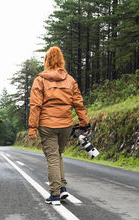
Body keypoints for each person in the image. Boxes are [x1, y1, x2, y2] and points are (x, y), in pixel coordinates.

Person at [28, 46, 89, 205]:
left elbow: (35, 105)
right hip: (66, 125)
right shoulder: (70, 80)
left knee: (53, 158)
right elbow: (78, 103)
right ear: (61, 60)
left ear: (46, 60)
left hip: (47, 125)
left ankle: (54, 194)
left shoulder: (40, 80)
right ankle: (62, 189)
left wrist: (32, 128)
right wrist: (84, 123)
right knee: (58, 155)